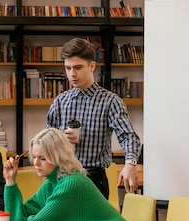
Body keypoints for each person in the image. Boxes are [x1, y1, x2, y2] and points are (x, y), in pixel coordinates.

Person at [3, 127, 135, 221]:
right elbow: (16, 220)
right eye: (34, 157)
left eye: (43, 158)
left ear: (58, 157)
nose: (36, 163)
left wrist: (39, 220)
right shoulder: (51, 183)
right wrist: (10, 181)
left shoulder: (71, 185)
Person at [46, 37, 142, 199]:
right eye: (68, 68)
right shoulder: (60, 101)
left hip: (94, 178)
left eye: (78, 67)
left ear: (92, 66)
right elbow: (46, 140)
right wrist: (60, 140)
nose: (72, 74)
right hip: (62, 176)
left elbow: (128, 136)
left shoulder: (110, 101)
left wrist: (130, 163)